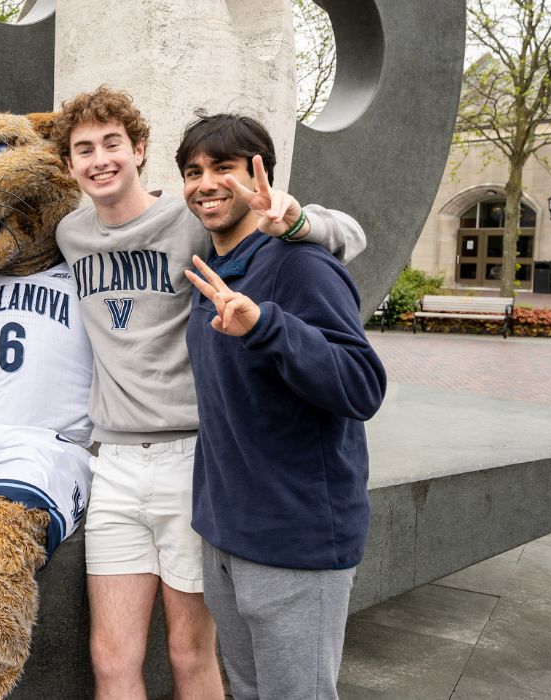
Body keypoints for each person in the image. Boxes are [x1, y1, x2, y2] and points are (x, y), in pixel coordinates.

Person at [50, 87, 365, 699]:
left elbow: (344, 238)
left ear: (138, 150)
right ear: (70, 165)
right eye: (83, 150)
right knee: (111, 659)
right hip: (112, 464)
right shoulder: (70, 234)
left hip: (193, 460)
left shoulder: (191, 222)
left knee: (191, 653)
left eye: (113, 143)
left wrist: (298, 222)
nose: (99, 159)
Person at [179, 112, 386, 700]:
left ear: (259, 175)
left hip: (296, 540)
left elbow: (361, 385)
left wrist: (266, 325)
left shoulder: (302, 263)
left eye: (223, 168)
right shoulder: (215, 267)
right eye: (193, 172)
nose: (205, 184)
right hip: (227, 534)